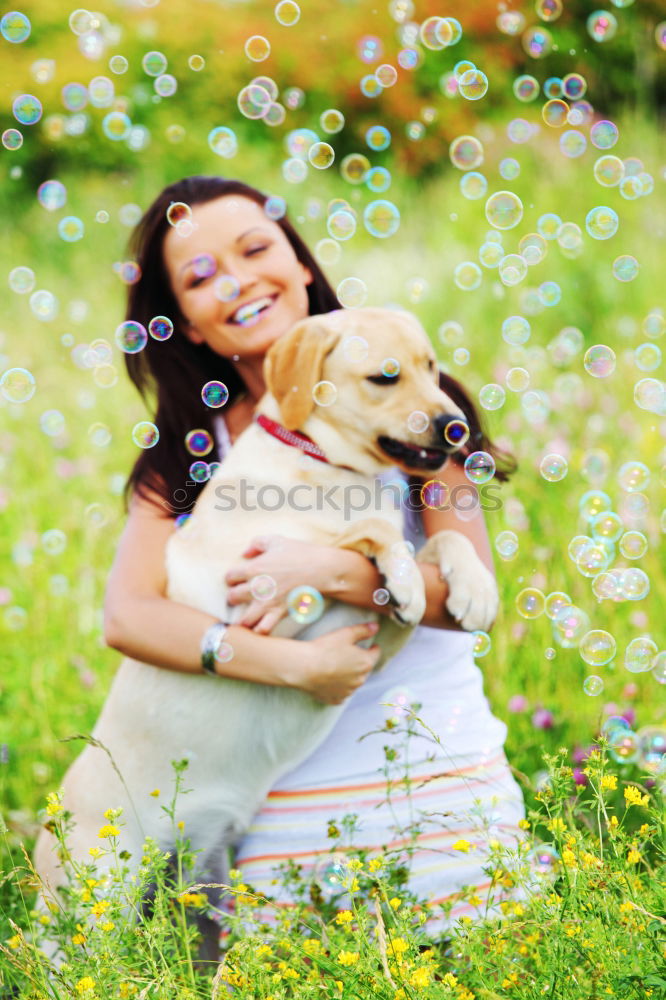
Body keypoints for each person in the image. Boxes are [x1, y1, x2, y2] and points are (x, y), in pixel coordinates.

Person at [105, 175, 525, 933]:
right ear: (189, 325)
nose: (237, 281)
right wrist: (294, 667)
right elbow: (130, 616)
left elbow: (467, 601)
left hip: (436, 764)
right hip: (280, 800)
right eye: (201, 278)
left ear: (300, 263)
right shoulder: (184, 452)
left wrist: (327, 570)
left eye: (256, 247)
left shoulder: (420, 406)